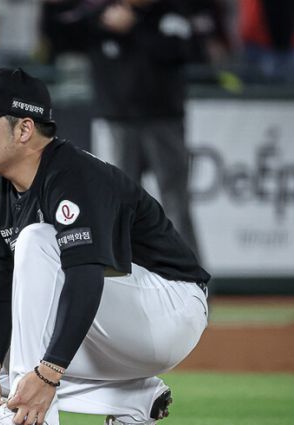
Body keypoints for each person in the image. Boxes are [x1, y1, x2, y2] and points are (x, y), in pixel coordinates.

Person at [0, 67, 210, 425]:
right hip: (110, 322)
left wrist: (48, 374)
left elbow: (85, 276)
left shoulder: (74, 174)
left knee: (37, 239)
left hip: (167, 309)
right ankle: (134, 401)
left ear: (24, 129)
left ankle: (29, 422)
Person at [56, 0, 202, 258]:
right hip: (119, 121)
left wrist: (134, 28)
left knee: (175, 199)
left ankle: (189, 274)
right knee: (121, 200)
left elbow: (183, 51)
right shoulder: (102, 13)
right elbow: (60, 34)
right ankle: (125, 270)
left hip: (163, 120)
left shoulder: (170, 12)